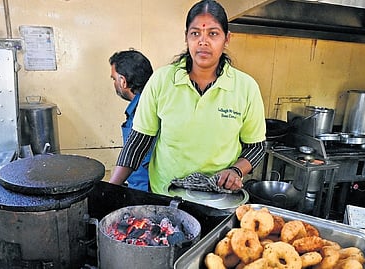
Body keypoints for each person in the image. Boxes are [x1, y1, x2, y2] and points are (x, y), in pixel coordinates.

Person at [109, 0, 266, 195]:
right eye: (195, 33)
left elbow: (256, 147)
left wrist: (236, 170)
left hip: (218, 198)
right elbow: (137, 142)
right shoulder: (161, 80)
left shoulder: (246, 88)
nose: (203, 41)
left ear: (227, 39)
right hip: (166, 197)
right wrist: (108, 191)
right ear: (186, 37)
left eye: (213, 33)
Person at [109, 49, 154, 191]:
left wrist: (109, 190)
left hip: (146, 191)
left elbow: (134, 154)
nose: (114, 83)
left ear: (123, 81)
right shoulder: (152, 103)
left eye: (114, 79)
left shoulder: (141, 112)